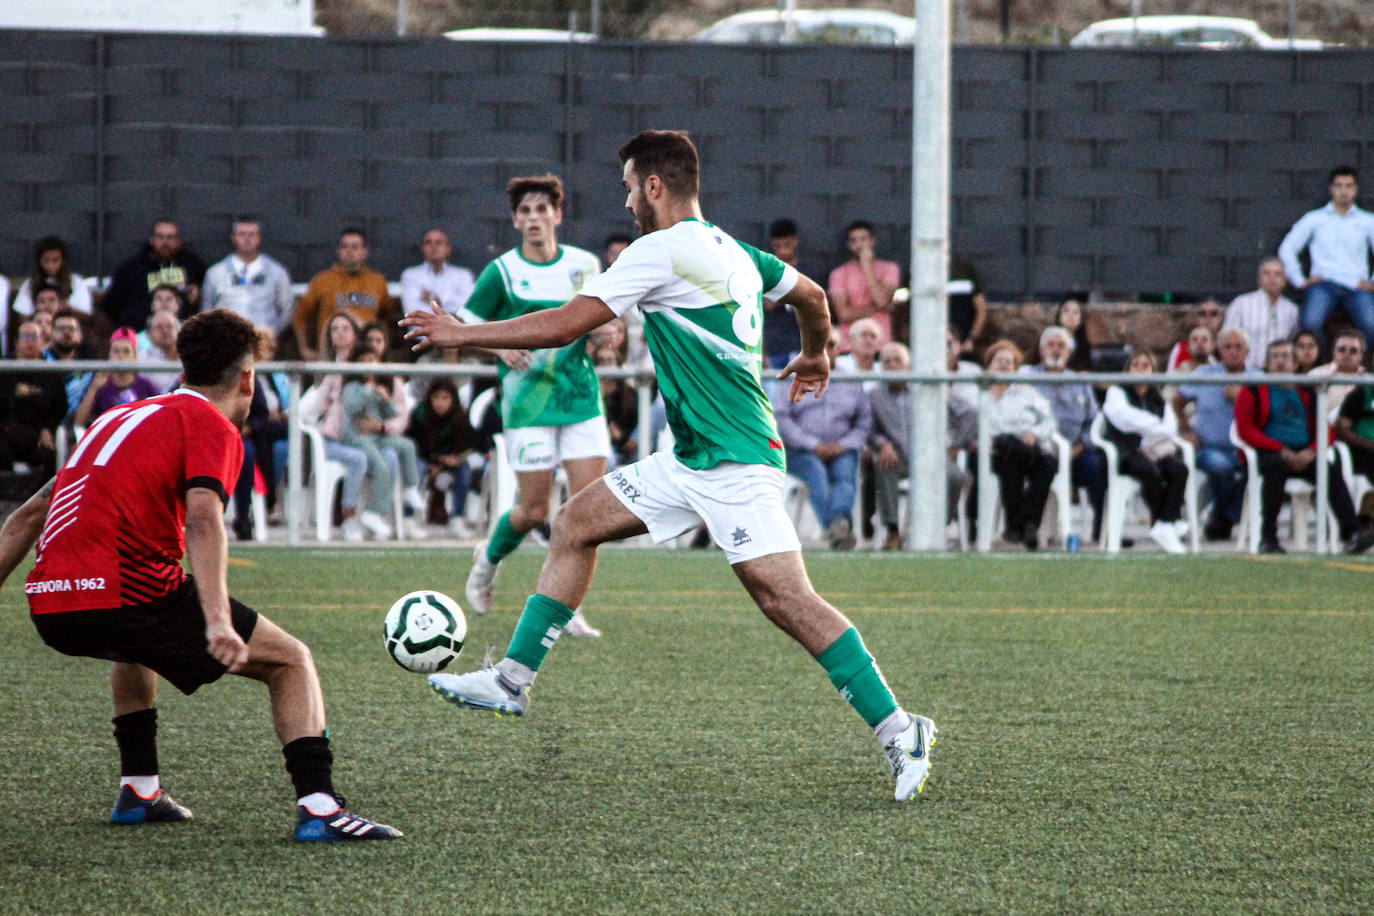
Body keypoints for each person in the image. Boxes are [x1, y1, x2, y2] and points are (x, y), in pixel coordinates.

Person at [405, 129, 936, 802]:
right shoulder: (734, 251)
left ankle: (900, 727)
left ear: (654, 187)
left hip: (737, 461)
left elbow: (569, 323)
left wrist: (464, 332)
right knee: (574, 523)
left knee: (786, 600)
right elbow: (812, 298)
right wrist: (816, 354)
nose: (627, 200)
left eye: (630, 186)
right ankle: (512, 680)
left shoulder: (659, 250)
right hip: (688, 459)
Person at [0, 309, 400, 841]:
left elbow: (27, 515)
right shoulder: (212, 422)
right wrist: (216, 620)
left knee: (135, 642)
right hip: (129, 596)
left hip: (51, 604)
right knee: (290, 660)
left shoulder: (114, 418)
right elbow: (205, 518)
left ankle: (140, 789)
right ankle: (320, 807)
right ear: (249, 378)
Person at [453, 173, 608, 639]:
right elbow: (464, 327)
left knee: (588, 515)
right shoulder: (501, 272)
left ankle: (564, 607)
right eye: (526, 211)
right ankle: (488, 559)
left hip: (580, 398)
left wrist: (608, 332)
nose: (534, 218)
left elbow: (605, 316)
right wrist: (500, 348)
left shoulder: (584, 265)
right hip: (527, 404)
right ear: (515, 221)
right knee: (535, 510)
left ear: (557, 216)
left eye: (543, 209)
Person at [1235, 339, 1374, 555]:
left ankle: (1351, 534)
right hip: (1270, 453)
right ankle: (1268, 538)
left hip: (1305, 453)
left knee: (1329, 470)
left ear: (1295, 363)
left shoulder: (1307, 391)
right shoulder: (1253, 390)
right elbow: (1245, 430)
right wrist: (1280, 449)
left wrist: (1311, 451)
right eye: (1275, 356)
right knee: (1276, 469)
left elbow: (1326, 429)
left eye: (1286, 356)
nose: (1281, 361)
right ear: (1267, 362)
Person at [772, 327, 872, 550]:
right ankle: (838, 527)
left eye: (831, 345)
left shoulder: (851, 382)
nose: (825, 350)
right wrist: (814, 445)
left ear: (839, 350)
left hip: (841, 447)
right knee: (815, 471)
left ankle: (837, 527)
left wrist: (842, 445)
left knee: (846, 474)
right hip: (801, 450)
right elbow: (781, 419)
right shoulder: (791, 378)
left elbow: (863, 421)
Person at [1101, 351, 1189, 554]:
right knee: (1148, 470)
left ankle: (1165, 523)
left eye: (1145, 366)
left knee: (1179, 469)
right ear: (1128, 370)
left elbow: (1170, 427)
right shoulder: (1117, 392)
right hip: (1126, 451)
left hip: (1154, 450)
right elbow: (1123, 419)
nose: (1140, 369)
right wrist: (1153, 424)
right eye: (1136, 365)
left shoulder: (1157, 398)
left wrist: (1146, 427)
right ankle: (1166, 523)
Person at [1277, 166, 1374, 348]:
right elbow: (1287, 249)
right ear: (1331, 188)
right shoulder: (1315, 219)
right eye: (1339, 186)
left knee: (1371, 325)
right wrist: (1299, 280)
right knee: (1310, 325)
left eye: (1349, 186)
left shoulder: (1367, 221)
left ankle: (1364, 371)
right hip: (1323, 284)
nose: (1344, 191)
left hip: (1356, 285)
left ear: (1356, 189)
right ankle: (1317, 371)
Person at [1026, 325, 1107, 544]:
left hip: (1075, 451)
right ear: (1042, 351)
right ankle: (1030, 529)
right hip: (1039, 450)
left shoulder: (1079, 381)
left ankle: (1104, 531)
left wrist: (1080, 446)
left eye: (1061, 346)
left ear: (1069, 352)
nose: (1056, 350)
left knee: (1099, 466)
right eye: (1051, 345)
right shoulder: (1027, 377)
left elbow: (1094, 421)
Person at [312, 313, 387, 542]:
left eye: (346, 328)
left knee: (391, 455)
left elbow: (393, 412)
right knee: (358, 459)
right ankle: (349, 519)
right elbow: (315, 405)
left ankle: (377, 515)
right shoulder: (334, 373)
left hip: (368, 438)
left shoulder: (375, 375)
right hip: (336, 440)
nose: (341, 333)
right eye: (335, 328)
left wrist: (382, 426)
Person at [341, 343, 427, 540]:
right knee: (381, 466)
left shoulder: (379, 387)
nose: (369, 366)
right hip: (359, 438)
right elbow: (352, 407)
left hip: (378, 437)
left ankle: (410, 488)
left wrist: (385, 399)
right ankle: (372, 513)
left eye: (372, 361)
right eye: (363, 363)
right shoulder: (353, 387)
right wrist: (367, 391)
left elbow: (390, 415)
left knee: (407, 445)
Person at [1176, 327, 1251, 542]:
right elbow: (1177, 401)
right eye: (1227, 347)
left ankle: (1221, 516)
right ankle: (1224, 517)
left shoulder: (1258, 377)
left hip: (1247, 448)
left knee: (1259, 470)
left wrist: (1242, 400)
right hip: (1209, 448)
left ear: (1247, 351)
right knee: (1221, 467)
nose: (1233, 351)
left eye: (1238, 347)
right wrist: (1186, 430)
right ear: (1219, 350)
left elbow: (1266, 413)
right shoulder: (1204, 375)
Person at [983, 340, 1058, 551]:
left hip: (1029, 449)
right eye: (1000, 361)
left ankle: (1020, 525)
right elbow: (981, 428)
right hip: (996, 451)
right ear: (989, 365)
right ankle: (1027, 525)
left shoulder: (1026, 391)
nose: (1005, 366)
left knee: (1049, 464)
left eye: (1010, 362)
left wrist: (1034, 433)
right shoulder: (981, 393)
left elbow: (1049, 421)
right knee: (1009, 459)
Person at [292, 228, 394, 362]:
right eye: (344, 247)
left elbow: (386, 317)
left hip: (366, 356)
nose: (349, 252)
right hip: (331, 355)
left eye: (355, 247)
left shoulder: (378, 281)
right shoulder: (323, 280)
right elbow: (300, 316)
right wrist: (304, 349)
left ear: (365, 252)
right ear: (338, 251)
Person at [102, 219, 206, 331]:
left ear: (179, 241)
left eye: (170, 237)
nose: (165, 242)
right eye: (160, 237)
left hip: (181, 333)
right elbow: (112, 304)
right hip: (142, 332)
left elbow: (207, 295)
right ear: (151, 240)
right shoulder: (132, 268)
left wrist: (198, 293)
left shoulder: (192, 265)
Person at [201, 217, 295, 334]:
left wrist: (271, 335)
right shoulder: (215, 273)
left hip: (262, 343)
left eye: (252, 234)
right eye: (241, 234)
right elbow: (206, 312)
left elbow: (287, 310)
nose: (247, 239)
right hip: (227, 344)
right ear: (233, 238)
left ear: (259, 238)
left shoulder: (277, 272)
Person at [406, 378, 476, 535]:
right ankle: (408, 518)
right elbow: (414, 445)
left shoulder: (460, 417)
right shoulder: (420, 414)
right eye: (436, 397)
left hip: (449, 461)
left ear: (453, 399)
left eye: (445, 398)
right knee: (416, 468)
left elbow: (469, 444)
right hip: (424, 458)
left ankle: (457, 518)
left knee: (464, 471)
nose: (439, 403)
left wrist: (458, 458)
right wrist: (435, 462)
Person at [0, 321, 67, 480]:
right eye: (25, 336)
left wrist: (48, 428)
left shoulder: (51, 374)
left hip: (36, 434)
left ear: (43, 342)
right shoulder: (4, 370)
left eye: (34, 336)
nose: (29, 341)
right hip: (4, 431)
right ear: (16, 342)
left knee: (48, 454)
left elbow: (60, 407)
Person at [828, 220, 900, 343]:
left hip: (881, 345)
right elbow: (844, 314)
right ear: (848, 245)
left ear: (873, 241)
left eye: (863, 239)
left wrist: (867, 266)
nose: (859, 245)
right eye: (854, 241)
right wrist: (881, 308)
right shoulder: (838, 274)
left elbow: (881, 299)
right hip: (849, 345)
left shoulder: (890, 268)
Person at [1221, 258, 1299, 371]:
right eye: (1266, 273)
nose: (1272, 278)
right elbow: (1227, 338)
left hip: (1278, 374)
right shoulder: (1241, 303)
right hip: (1246, 372)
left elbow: (1292, 341)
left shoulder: (1291, 310)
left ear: (1284, 281)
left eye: (1277, 274)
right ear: (1259, 279)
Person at [73, 328, 161, 428]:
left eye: (126, 351)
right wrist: (94, 389)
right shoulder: (99, 385)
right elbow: (79, 423)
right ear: (109, 355)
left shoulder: (147, 387)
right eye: (116, 351)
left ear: (135, 356)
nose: (120, 356)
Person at [399, 227, 475, 321]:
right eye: (428, 242)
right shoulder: (410, 275)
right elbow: (411, 311)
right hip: (421, 334)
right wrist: (448, 307)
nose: (433, 246)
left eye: (438, 242)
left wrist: (434, 299)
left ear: (448, 248)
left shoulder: (463, 276)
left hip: (453, 334)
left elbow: (466, 308)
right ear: (422, 248)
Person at [761, 219, 808, 370]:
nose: (783, 251)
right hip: (775, 345)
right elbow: (769, 303)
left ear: (796, 241)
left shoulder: (809, 272)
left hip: (803, 344)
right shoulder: (767, 273)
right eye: (778, 246)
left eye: (787, 245)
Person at [11, 235, 93, 320]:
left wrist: (66, 308)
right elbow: (22, 316)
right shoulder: (29, 284)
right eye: (46, 260)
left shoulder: (77, 282)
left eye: (55, 260)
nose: (50, 265)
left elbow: (86, 316)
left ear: (63, 260)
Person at [42, 307, 95, 421]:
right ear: (51, 333)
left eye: (71, 329)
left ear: (80, 335)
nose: (66, 333)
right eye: (61, 328)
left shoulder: (88, 370)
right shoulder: (39, 361)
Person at [1307, 329, 1366, 422]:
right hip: (1323, 430)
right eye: (1342, 349)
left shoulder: (1368, 379)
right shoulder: (1316, 374)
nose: (1347, 354)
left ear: (1361, 355)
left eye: (1353, 351)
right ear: (1333, 352)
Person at [1167, 299, 1224, 371]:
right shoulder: (1181, 348)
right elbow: (1170, 377)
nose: (1208, 318)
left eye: (1213, 314)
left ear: (1220, 317)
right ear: (1197, 317)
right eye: (1202, 314)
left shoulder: (1229, 346)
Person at [947, 255, 987, 355]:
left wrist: (970, 339)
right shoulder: (920, 272)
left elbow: (981, 311)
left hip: (964, 342)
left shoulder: (965, 271)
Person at [138, 311, 182, 393]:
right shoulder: (141, 359)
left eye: (169, 326)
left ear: (178, 331)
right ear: (149, 334)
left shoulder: (189, 356)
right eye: (159, 327)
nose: (165, 331)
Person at [1052, 299, 1093, 372]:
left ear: (1081, 319)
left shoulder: (1084, 346)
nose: (1070, 315)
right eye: (1066, 311)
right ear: (1059, 316)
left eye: (1075, 312)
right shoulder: (1048, 340)